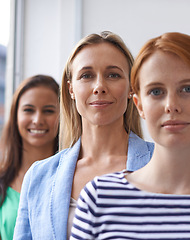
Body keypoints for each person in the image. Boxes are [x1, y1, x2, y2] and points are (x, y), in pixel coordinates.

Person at [13, 31, 154, 240]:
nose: (99, 87)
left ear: (131, 87)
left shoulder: (166, 163)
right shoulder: (38, 176)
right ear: (71, 89)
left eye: (113, 74)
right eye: (86, 75)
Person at [70, 32, 190, 239]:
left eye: (187, 88)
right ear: (139, 105)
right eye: (156, 91)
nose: (172, 105)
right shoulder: (99, 197)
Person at [0, 74, 59, 240]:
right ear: (15, 115)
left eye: (48, 111)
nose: (37, 120)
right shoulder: (2, 181)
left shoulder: (73, 176)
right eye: (28, 110)